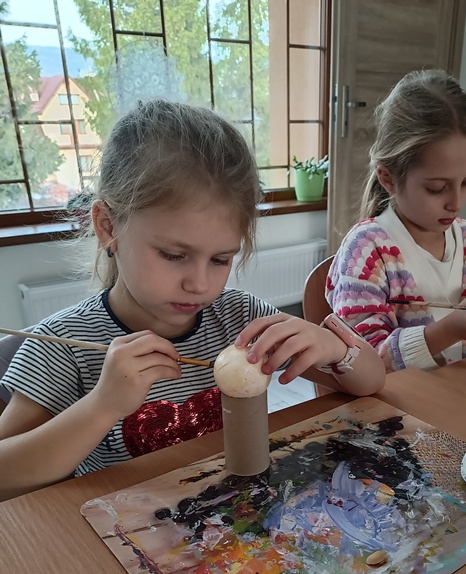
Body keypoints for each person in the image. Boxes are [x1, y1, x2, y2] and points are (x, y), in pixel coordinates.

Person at [0, 99, 385, 501]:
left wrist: (334, 347)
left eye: (221, 260)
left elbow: (372, 383)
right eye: (173, 255)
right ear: (108, 226)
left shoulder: (240, 320)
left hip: (226, 513)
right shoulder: (64, 345)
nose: (200, 284)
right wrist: (102, 405)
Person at [326, 69, 466, 372]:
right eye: (437, 188)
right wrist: (447, 331)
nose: (457, 203)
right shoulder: (367, 251)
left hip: (461, 392)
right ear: (388, 178)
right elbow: (361, 362)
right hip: (399, 399)